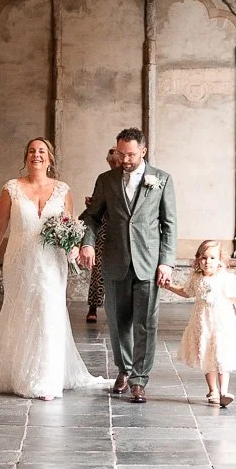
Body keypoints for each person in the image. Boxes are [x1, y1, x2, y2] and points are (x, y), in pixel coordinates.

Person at [0, 137, 111, 399]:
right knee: (21, 310)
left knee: (49, 310)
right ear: (25, 158)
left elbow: (71, 225)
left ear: (50, 159)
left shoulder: (63, 189)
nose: (36, 155)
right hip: (20, 260)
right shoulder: (11, 189)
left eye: (41, 151)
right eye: (31, 151)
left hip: (52, 262)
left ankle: (46, 379)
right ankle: (17, 373)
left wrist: (74, 246)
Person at [78, 127, 177, 403]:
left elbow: (169, 224)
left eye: (131, 154)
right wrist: (87, 243)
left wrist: (166, 262)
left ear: (143, 151)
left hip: (148, 261)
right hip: (115, 260)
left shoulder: (162, 179)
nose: (125, 159)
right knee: (117, 322)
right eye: (121, 153)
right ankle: (124, 370)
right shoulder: (106, 180)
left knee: (146, 323)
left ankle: (139, 379)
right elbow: (91, 217)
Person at [162, 238, 236, 407]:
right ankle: (213, 390)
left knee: (222, 356)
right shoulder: (196, 278)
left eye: (212, 258)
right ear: (198, 260)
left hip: (222, 325)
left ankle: (224, 391)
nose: (208, 262)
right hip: (203, 324)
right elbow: (186, 292)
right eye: (204, 257)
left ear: (220, 261)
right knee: (207, 355)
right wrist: (169, 286)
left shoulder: (225, 279)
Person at [85, 145, 119, 325]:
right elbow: (97, 201)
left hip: (121, 229)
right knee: (98, 268)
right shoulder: (104, 180)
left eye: (117, 161)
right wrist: (91, 201)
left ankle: (116, 309)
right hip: (104, 227)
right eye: (111, 162)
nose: (114, 164)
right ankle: (93, 307)